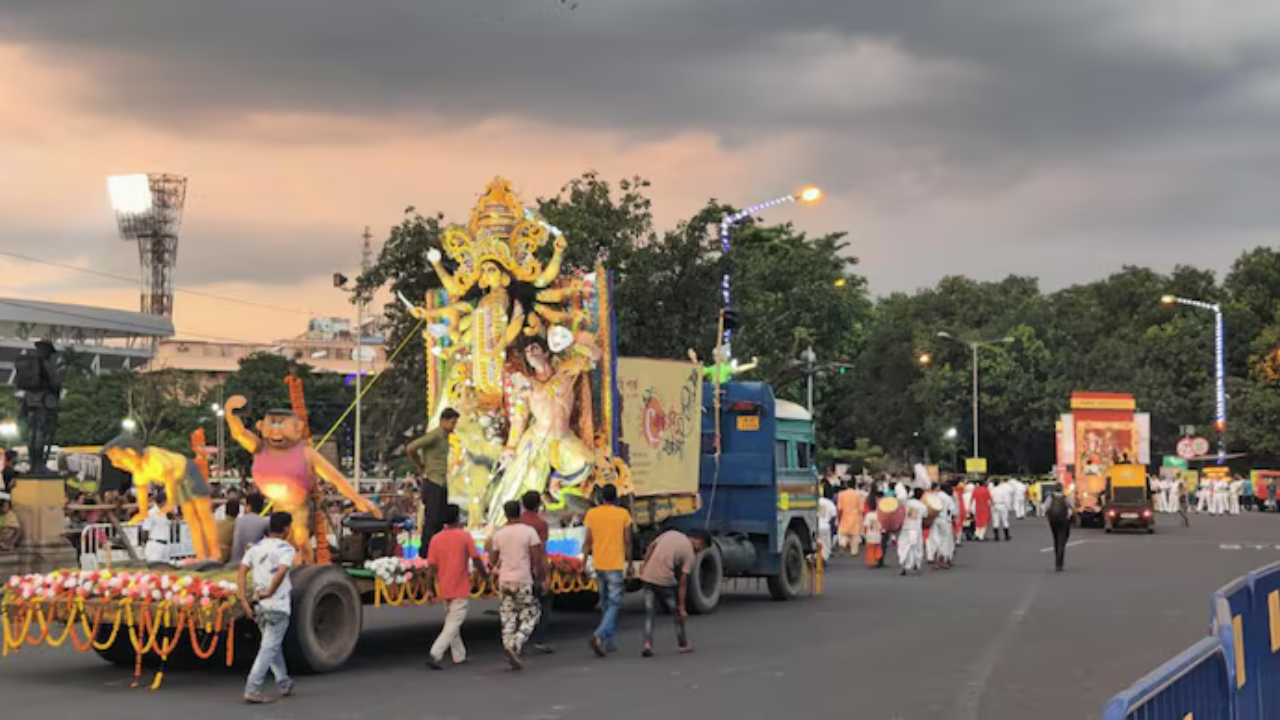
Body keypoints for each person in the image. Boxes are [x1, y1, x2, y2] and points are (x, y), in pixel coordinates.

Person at [238, 511, 296, 703]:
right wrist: (271, 589)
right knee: (268, 648)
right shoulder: (286, 549)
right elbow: (282, 571)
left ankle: (283, 682)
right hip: (277, 605)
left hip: (259, 605)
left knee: (272, 646)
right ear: (286, 528)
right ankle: (252, 688)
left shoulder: (256, 547)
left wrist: (244, 601)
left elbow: (241, 572)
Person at [425, 504, 487, 670]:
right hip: (460, 586)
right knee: (453, 624)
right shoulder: (464, 536)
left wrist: (429, 588)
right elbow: (476, 559)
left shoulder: (436, 539)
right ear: (458, 518)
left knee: (452, 623)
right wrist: (485, 575)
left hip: (443, 586)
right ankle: (435, 653)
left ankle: (459, 655)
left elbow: (430, 567)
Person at [487, 500, 544, 670]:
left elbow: (492, 559)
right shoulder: (529, 532)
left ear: (505, 514)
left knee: (507, 614)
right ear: (519, 512)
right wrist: (539, 575)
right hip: (523, 579)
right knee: (532, 613)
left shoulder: (500, 534)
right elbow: (536, 557)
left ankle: (507, 644)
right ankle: (517, 642)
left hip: (505, 579)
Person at [583, 483, 633, 657]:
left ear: (601, 497)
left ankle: (609, 641)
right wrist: (630, 563)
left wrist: (583, 562)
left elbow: (588, 541)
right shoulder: (623, 514)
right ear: (616, 498)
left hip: (598, 563)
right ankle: (600, 635)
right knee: (614, 603)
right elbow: (627, 541)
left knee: (604, 602)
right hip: (615, 564)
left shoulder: (592, 514)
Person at [637, 528, 703, 657]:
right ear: (698, 541)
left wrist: (645, 565)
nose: (699, 550)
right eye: (701, 547)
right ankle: (683, 644)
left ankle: (647, 644)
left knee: (649, 613)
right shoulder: (689, 554)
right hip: (664, 581)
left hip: (647, 577)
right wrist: (682, 607)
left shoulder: (671, 533)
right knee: (676, 613)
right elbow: (683, 582)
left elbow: (651, 546)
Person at [406, 408, 460, 552]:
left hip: (441, 481)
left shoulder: (444, 437)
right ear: (443, 421)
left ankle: (438, 550)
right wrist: (420, 465)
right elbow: (411, 448)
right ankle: (425, 551)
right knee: (432, 519)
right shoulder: (435, 435)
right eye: (452, 423)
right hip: (432, 481)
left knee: (440, 519)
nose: (454, 426)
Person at [515, 490, 555, 654]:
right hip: (534, 569)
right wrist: (545, 575)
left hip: (517, 568)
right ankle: (539, 639)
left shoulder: (516, 522)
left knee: (520, 605)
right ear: (539, 504)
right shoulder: (541, 524)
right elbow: (541, 551)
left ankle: (519, 638)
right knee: (544, 602)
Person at [231, 493, 271, 565]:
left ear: (248, 506)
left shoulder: (238, 521)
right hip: (253, 564)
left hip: (234, 563)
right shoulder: (264, 521)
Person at [898, 488, 927, 576]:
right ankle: (917, 565)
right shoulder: (922, 506)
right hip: (916, 529)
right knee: (917, 547)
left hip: (906, 527)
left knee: (904, 547)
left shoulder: (907, 503)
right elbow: (925, 516)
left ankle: (903, 565)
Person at [1044, 490, 1074, 572]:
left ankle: (1057, 561)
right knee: (1062, 541)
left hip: (1053, 521)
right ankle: (1059, 563)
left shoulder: (1050, 497)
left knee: (1056, 539)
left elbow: (1046, 507)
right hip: (1063, 521)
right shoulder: (1065, 497)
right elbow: (1072, 506)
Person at [928, 486, 955, 570]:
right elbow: (952, 511)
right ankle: (942, 561)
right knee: (944, 540)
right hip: (944, 520)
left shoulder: (934, 496)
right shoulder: (948, 498)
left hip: (934, 519)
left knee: (934, 539)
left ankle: (935, 561)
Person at [835, 483, 864, 557]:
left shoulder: (841, 494)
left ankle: (842, 544)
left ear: (846, 486)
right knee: (855, 536)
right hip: (855, 516)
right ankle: (854, 552)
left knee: (843, 534)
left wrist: (839, 517)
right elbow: (861, 508)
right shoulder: (857, 494)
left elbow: (839, 508)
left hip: (845, 515)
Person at [143, 491, 171, 563]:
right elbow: (146, 530)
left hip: (165, 545)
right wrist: (147, 544)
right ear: (163, 502)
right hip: (155, 544)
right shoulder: (151, 512)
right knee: (154, 568)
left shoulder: (165, 512)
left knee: (166, 569)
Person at [862, 495, 884, 568]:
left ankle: (872, 560)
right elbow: (882, 525)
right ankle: (878, 557)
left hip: (870, 534)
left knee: (870, 548)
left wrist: (865, 534)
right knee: (878, 547)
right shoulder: (880, 515)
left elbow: (866, 525)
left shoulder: (868, 515)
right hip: (878, 533)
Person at [817, 486, 837, 562]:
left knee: (816, 543)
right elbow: (834, 515)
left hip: (815, 526)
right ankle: (823, 558)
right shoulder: (829, 503)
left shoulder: (813, 502)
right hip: (825, 526)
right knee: (826, 544)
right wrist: (830, 524)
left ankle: (817, 557)